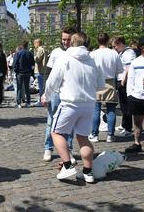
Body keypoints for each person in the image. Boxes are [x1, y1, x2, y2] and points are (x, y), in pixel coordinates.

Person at [42, 32, 105, 183]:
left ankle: (67, 165)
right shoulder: (93, 60)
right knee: (83, 138)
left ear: (72, 43)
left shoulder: (65, 58)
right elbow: (100, 84)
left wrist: (47, 95)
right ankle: (88, 172)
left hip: (70, 103)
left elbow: (52, 81)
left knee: (56, 132)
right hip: (88, 104)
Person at [43, 27, 77, 162]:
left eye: (68, 39)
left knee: (70, 122)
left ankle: (68, 150)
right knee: (51, 120)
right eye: (64, 39)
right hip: (56, 93)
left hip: (71, 92)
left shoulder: (77, 53)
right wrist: (45, 94)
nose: (66, 42)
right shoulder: (56, 52)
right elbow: (48, 74)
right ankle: (48, 148)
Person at [88, 33, 124, 143]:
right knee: (111, 109)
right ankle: (110, 135)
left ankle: (94, 135)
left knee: (96, 109)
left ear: (97, 41)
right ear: (108, 41)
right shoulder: (114, 54)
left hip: (96, 82)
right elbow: (119, 70)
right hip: (110, 82)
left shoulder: (92, 54)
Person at [112, 36, 137, 137]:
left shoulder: (129, 53)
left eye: (115, 46)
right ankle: (124, 124)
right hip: (120, 79)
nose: (114, 48)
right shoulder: (123, 53)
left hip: (124, 81)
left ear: (120, 44)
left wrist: (124, 79)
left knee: (126, 105)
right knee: (122, 105)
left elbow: (128, 67)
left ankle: (128, 129)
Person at [13, 41, 34, 108]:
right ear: (27, 45)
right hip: (27, 72)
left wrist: (16, 71)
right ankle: (28, 103)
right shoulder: (29, 53)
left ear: (21, 45)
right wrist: (31, 71)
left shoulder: (18, 53)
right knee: (27, 88)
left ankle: (19, 103)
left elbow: (15, 63)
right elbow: (32, 63)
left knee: (19, 88)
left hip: (20, 73)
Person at [33, 39, 48, 106]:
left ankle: (41, 101)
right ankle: (41, 100)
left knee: (41, 88)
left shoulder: (40, 49)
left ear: (37, 43)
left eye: (34, 43)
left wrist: (33, 56)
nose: (34, 45)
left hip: (39, 70)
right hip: (43, 70)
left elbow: (37, 59)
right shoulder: (45, 49)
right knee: (42, 87)